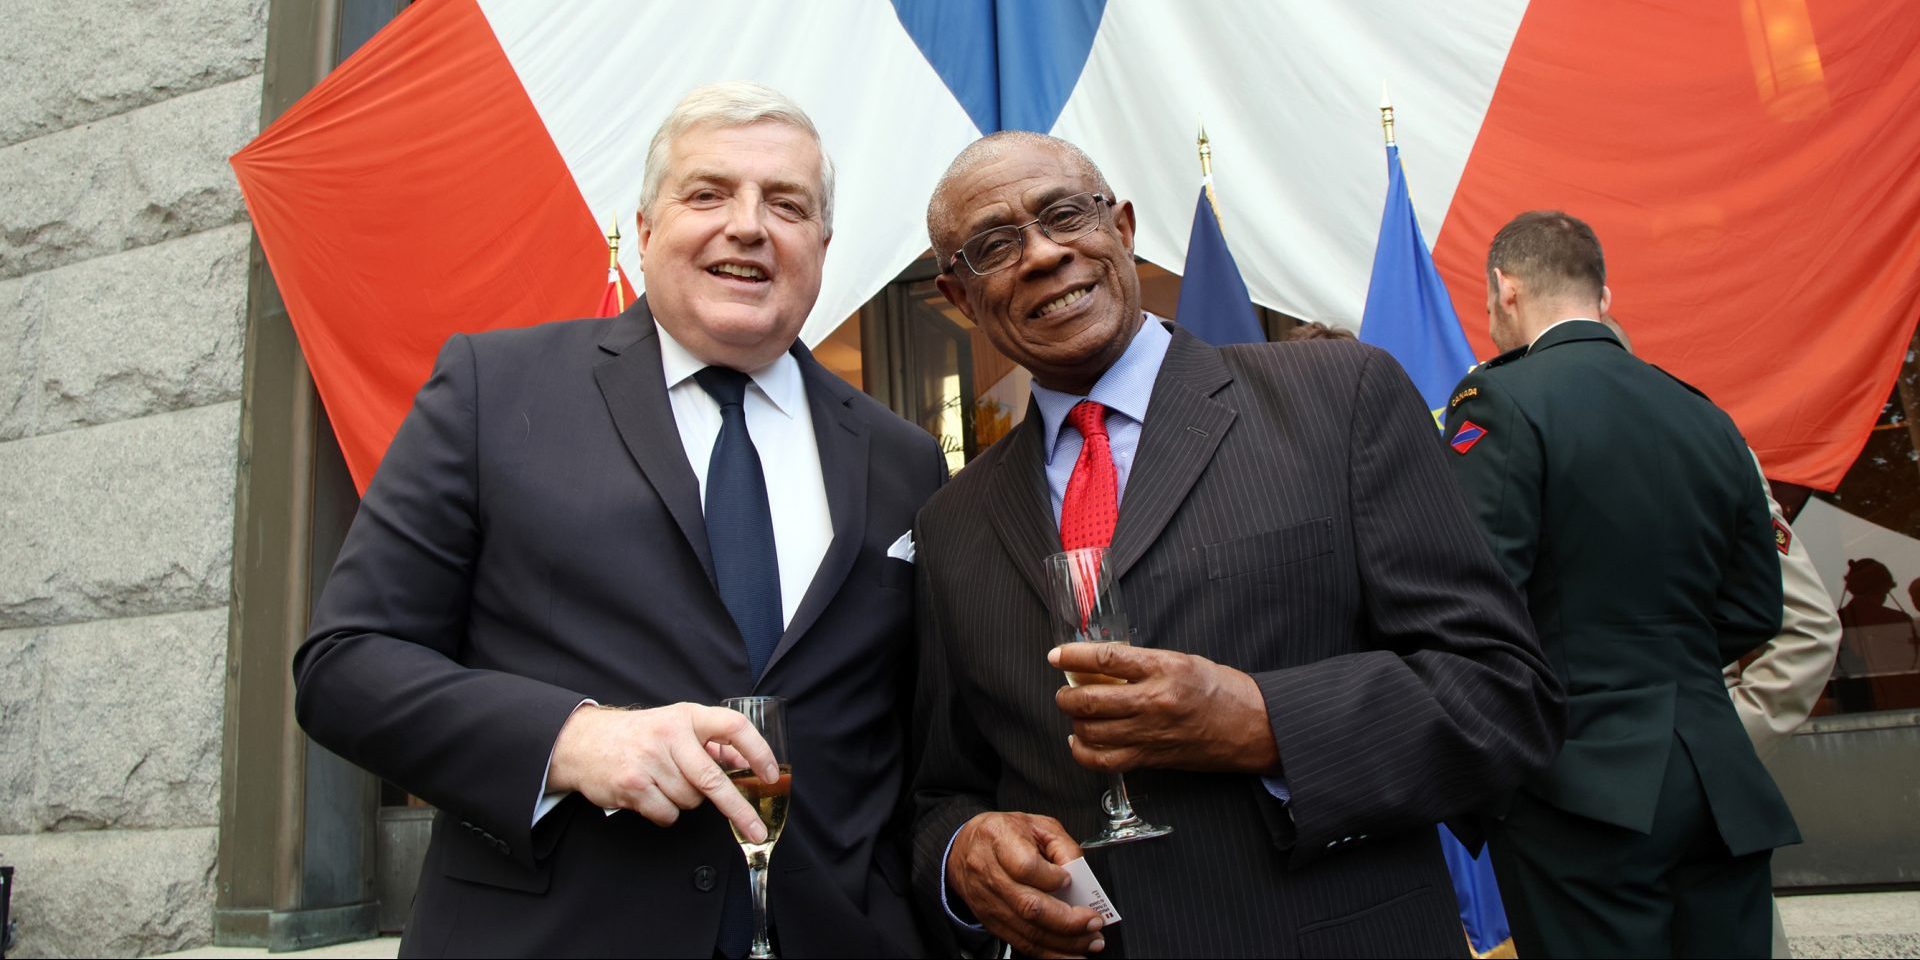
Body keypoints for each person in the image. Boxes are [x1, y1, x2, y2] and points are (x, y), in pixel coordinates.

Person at [293, 82, 943, 958]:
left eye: (785, 203)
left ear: (822, 246)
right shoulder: (495, 390)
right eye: (708, 193)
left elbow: (915, 743)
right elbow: (345, 668)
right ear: (644, 231)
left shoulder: (903, 458)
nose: (748, 225)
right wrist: (569, 739)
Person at [909, 131, 1564, 957]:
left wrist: (1263, 721)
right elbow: (944, 789)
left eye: (1065, 214)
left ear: (1123, 228)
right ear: (960, 298)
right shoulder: (951, 521)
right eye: (995, 246)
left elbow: (1504, 696)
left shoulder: (1340, 396)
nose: (1041, 254)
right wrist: (965, 857)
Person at [1444, 211, 1797, 958]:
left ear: (1505, 290)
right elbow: (1757, 606)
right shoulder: (1706, 415)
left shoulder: (1500, 402)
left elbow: (1477, 601)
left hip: (1580, 786)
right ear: (1604, 296)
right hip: (1718, 786)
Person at [1605, 313, 1842, 958]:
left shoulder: (1705, 459)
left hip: (1700, 815)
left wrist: (1706, 749)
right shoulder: (1535, 468)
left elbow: (1807, 630)